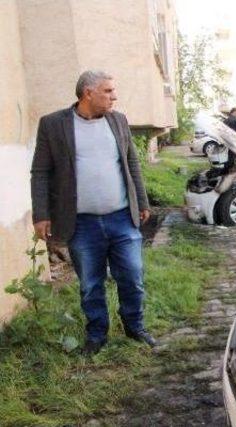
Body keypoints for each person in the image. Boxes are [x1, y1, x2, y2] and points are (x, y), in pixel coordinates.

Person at [31, 70, 156, 356]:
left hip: (122, 218)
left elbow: (131, 163)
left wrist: (142, 201)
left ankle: (135, 326)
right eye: (108, 91)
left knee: (133, 276)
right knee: (90, 284)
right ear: (88, 93)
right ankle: (97, 334)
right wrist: (41, 214)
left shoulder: (118, 120)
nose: (115, 96)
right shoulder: (53, 124)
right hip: (81, 222)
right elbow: (40, 172)